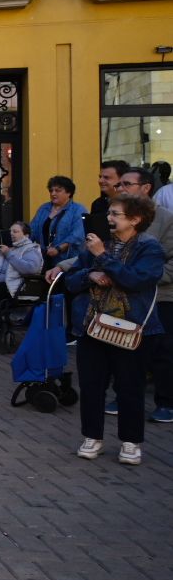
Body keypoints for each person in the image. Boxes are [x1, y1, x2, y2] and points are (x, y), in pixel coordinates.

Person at [50, 193, 164, 466]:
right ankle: (92, 437)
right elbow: (72, 279)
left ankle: (130, 442)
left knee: (129, 387)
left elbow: (136, 280)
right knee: (91, 386)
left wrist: (103, 257)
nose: (109, 219)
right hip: (93, 326)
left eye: (116, 214)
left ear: (135, 219)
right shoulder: (96, 242)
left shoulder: (149, 248)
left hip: (133, 328)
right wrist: (89, 275)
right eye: (109, 213)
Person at [117, 167, 173, 423]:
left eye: (127, 183)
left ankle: (166, 402)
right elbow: (102, 251)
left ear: (146, 187)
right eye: (120, 184)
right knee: (126, 349)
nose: (121, 188)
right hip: (126, 295)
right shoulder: (118, 217)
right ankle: (124, 397)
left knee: (162, 351)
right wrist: (64, 266)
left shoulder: (166, 219)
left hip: (160, 296)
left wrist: (146, 276)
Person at [31, 176, 87, 268]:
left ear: (69, 192)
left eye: (57, 190)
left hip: (67, 260)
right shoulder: (44, 208)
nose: (53, 193)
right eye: (51, 190)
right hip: (43, 259)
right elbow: (32, 230)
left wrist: (58, 249)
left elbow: (77, 236)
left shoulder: (78, 210)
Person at [87, 162, 128, 241]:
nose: (100, 180)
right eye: (100, 177)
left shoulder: (131, 204)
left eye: (106, 177)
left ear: (121, 179)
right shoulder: (98, 203)